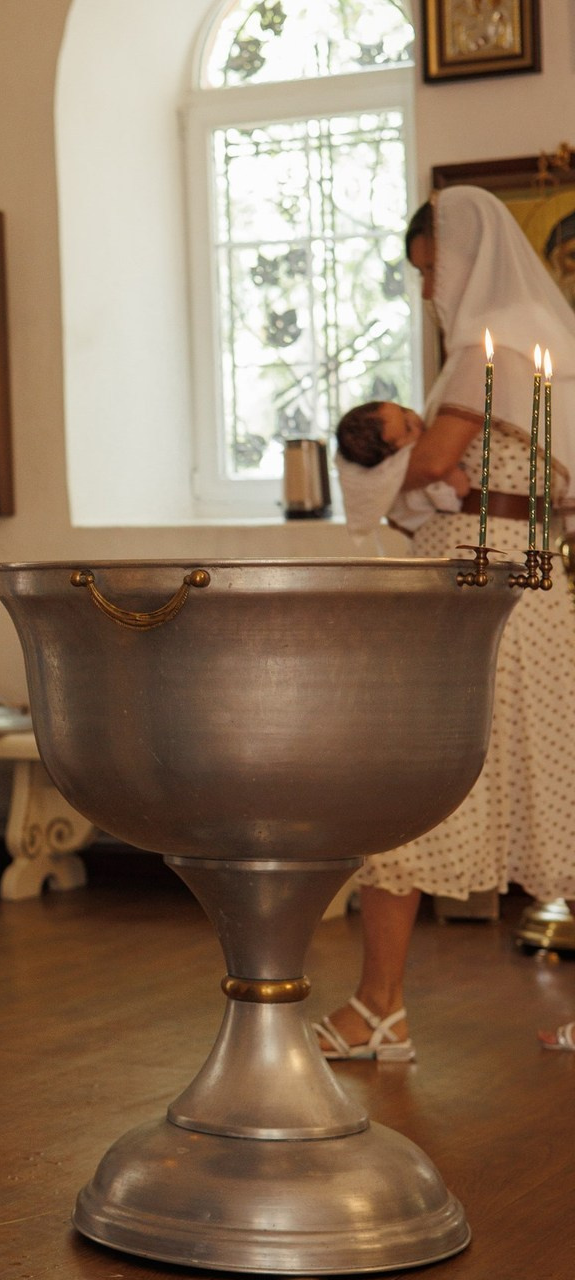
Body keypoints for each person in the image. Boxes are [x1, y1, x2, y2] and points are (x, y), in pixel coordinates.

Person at [315, 185, 575, 1062]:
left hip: (469, 579)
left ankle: (376, 1009)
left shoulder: (483, 354)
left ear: (465, 256)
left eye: (433, 270)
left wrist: (394, 483)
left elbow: (429, 462)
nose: (430, 290)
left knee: (416, 779)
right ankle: (375, 1007)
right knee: (557, 782)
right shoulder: (556, 354)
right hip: (539, 581)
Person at [334, 399, 471, 543]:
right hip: (441, 533)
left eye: (404, 410)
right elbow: (461, 487)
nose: (414, 418)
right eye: (407, 428)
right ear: (392, 453)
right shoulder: (405, 462)